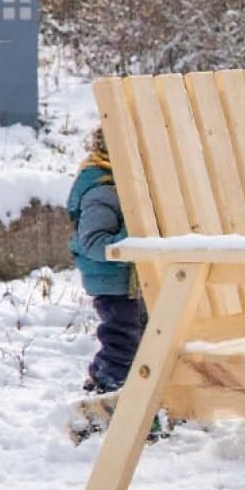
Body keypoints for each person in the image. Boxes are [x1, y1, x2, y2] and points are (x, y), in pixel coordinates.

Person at [67, 126, 146, 395]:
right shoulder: (102, 190)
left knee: (146, 341)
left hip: (135, 282)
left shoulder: (128, 185)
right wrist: (134, 235)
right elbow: (94, 243)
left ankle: (141, 398)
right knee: (122, 341)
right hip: (113, 284)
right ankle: (104, 386)